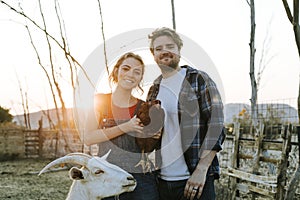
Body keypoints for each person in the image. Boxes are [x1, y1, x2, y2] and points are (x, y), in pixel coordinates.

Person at [146, 27, 225, 200]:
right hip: (162, 180)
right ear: (153, 54)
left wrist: (202, 170)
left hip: (194, 179)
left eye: (170, 46)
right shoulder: (154, 89)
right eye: (158, 48)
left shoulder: (198, 79)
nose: (164, 51)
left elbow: (216, 126)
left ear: (179, 50)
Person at [84, 52, 159, 200]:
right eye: (126, 68)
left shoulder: (144, 107)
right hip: (109, 177)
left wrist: (154, 136)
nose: (130, 74)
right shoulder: (100, 102)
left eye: (137, 72)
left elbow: (148, 146)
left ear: (140, 79)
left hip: (140, 178)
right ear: (116, 71)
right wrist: (125, 127)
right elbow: (89, 137)